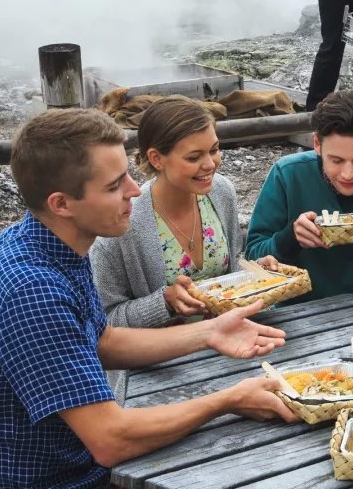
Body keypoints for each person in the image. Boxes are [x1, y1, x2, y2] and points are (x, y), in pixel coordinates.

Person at [0, 109, 297, 489]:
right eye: (114, 186)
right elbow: (111, 440)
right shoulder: (34, 293)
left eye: (128, 176)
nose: (134, 191)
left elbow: (102, 339)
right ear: (62, 204)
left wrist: (206, 332)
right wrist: (228, 400)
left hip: (64, 482)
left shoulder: (40, 241)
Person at [91, 95, 278, 328]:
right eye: (194, 157)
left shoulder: (221, 192)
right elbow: (105, 322)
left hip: (230, 341)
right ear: (156, 159)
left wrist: (255, 272)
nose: (210, 164)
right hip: (165, 358)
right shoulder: (122, 225)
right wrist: (164, 302)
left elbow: (226, 273)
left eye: (214, 149)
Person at [245, 89, 353, 301]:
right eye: (336, 161)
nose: (348, 174)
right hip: (297, 315)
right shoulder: (287, 175)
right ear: (317, 144)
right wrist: (290, 238)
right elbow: (253, 260)